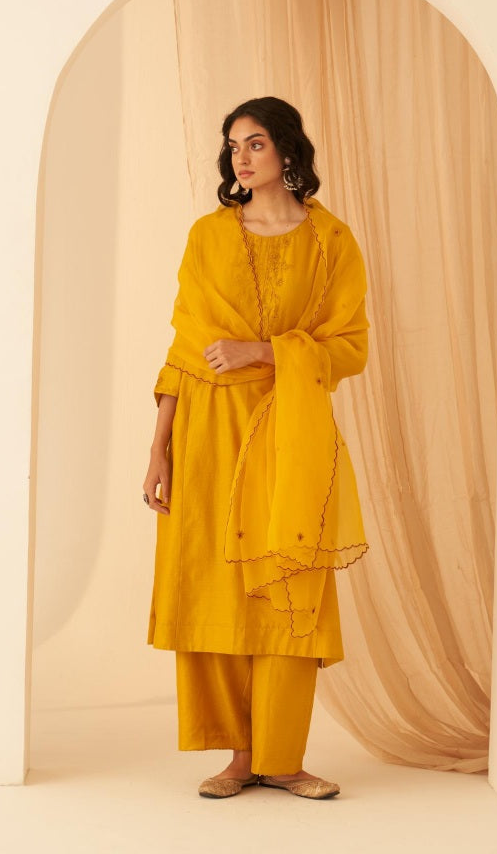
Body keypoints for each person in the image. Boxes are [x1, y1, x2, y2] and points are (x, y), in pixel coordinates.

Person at [142, 96, 370, 800]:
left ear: (288, 150)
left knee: (289, 582)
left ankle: (284, 757)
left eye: (256, 143)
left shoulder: (332, 242)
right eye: (233, 145)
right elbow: (185, 347)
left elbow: (350, 347)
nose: (240, 156)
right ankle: (240, 757)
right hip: (208, 430)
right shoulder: (208, 236)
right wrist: (159, 449)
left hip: (288, 430)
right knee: (215, 583)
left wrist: (262, 351)